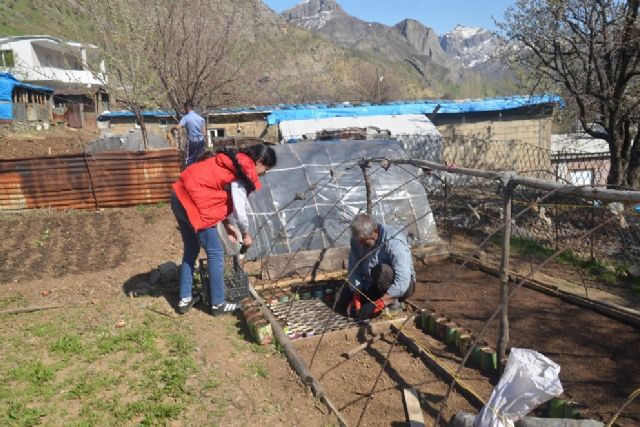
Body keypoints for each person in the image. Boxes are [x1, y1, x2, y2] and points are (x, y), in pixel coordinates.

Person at [171, 144, 277, 315]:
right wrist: (245, 234)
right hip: (195, 205)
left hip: (179, 196)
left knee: (190, 250)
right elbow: (240, 212)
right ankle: (218, 304)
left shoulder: (229, 160)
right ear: (259, 161)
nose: (263, 174)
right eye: (265, 170)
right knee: (216, 253)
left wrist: (227, 225)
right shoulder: (242, 173)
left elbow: (210, 192)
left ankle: (185, 299)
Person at [337, 213, 416, 320]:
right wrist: (356, 296)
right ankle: (377, 299)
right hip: (373, 283)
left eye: (363, 241)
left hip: (403, 286)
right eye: (358, 241)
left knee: (381, 270)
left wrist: (379, 304)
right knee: (342, 300)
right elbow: (354, 268)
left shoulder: (393, 240)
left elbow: (403, 281)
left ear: (375, 232)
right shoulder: (357, 240)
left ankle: (394, 306)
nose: (360, 245)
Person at [171, 102, 206, 167]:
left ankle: (190, 171)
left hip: (193, 141)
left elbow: (178, 127)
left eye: (184, 108)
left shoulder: (186, 117)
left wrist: (172, 128)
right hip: (201, 141)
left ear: (187, 108)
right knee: (201, 159)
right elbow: (204, 132)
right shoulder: (201, 118)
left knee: (191, 160)